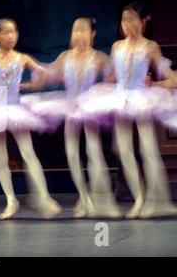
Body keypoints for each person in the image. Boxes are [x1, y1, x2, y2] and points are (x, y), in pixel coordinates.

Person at [79, 2, 177, 218]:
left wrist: (154, 85)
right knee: (123, 150)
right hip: (121, 98)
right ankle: (140, 198)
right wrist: (97, 89)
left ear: (142, 23)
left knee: (148, 149)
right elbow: (114, 76)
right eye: (123, 20)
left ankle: (156, 199)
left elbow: (173, 80)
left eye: (131, 19)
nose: (126, 24)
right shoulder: (117, 46)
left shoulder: (150, 46)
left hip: (141, 98)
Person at [21, 17, 121, 218]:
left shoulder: (99, 57)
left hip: (89, 107)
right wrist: (23, 86)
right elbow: (48, 78)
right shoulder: (64, 56)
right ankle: (84, 198)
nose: (78, 35)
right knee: (72, 154)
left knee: (93, 151)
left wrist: (101, 89)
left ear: (92, 34)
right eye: (75, 30)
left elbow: (115, 77)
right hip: (69, 105)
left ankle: (99, 196)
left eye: (83, 30)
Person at [0, 18, 62, 220]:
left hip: (16, 109)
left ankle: (43, 195)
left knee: (28, 152)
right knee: (0, 157)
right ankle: (11, 200)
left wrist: (29, 86)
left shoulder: (23, 58)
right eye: (7, 32)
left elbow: (46, 74)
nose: (12, 36)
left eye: (15, 31)